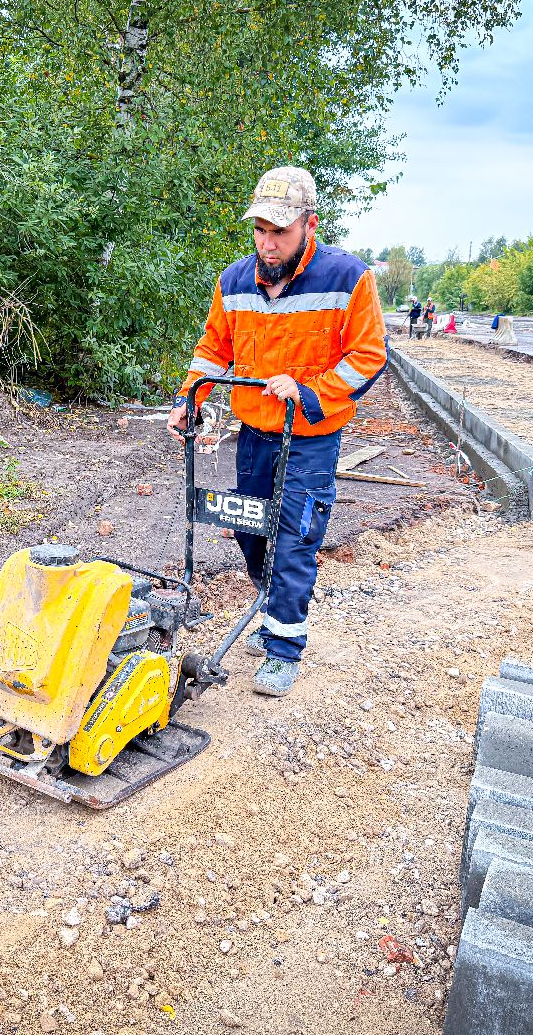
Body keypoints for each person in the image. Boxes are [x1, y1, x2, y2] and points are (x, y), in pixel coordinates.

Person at [166, 166, 387, 698]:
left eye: (279, 232)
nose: (268, 243)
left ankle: (284, 647)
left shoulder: (347, 278)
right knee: (249, 527)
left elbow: (369, 356)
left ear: (310, 224)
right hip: (256, 432)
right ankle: (269, 601)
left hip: (310, 435)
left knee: (292, 540)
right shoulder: (235, 282)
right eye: (260, 230)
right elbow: (214, 350)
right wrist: (188, 398)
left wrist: (309, 391)